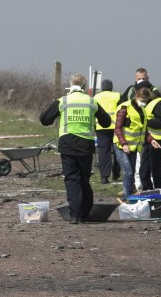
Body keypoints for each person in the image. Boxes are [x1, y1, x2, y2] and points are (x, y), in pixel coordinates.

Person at [40, 73, 111, 224]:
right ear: (84, 87)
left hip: (68, 145)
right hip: (86, 146)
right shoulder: (91, 101)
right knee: (84, 179)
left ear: (70, 85)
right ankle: (85, 213)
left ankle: (74, 215)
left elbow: (44, 120)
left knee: (72, 179)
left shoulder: (63, 101)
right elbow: (106, 122)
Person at [113, 87, 161, 198]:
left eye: (146, 101)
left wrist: (151, 140)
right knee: (128, 172)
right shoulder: (125, 108)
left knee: (131, 173)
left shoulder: (143, 111)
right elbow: (118, 128)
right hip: (121, 146)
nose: (144, 103)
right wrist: (124, 144)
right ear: (136, 96)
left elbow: (143, 130)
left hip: (134, 147)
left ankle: (129, 195)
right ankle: (127, 197)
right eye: (142, 100)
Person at [138, 89, 161, 191]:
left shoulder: (160, 104)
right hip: (151, 140)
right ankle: (148, 191)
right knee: (145, 170)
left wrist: (144, 121)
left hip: (159, 141)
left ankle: (159, 193)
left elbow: (159, 123)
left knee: (155, 171)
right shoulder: (152, 104)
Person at [93, 79, 121, 184]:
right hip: (116, 127)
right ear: (111, 87)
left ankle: (104, 177)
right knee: (118, 151)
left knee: (104, 152)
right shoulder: (117, 96)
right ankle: (116, 172)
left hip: (101, 128)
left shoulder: (96, 97)